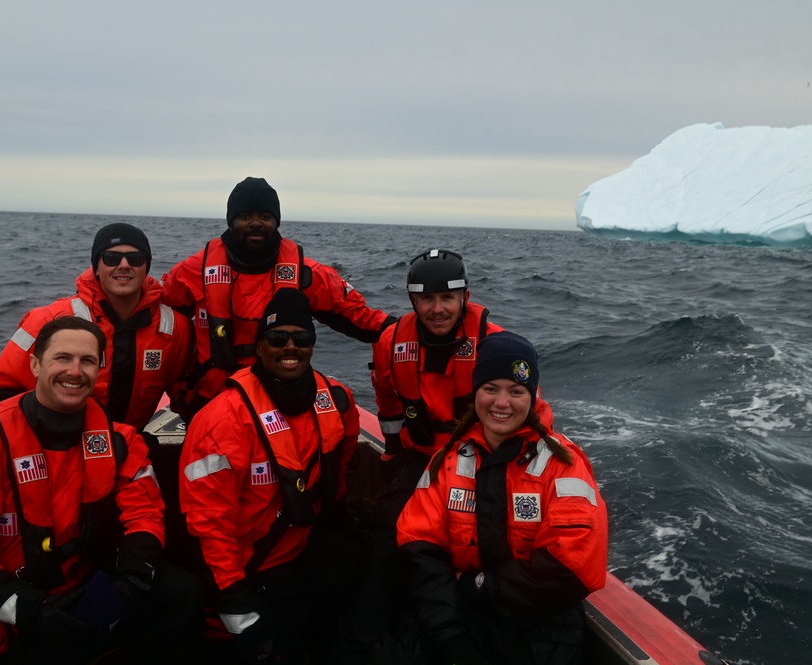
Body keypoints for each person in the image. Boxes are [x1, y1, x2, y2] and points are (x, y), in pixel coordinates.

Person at [0, 317, 204, 664]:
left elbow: (144, 515)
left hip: (90, 584)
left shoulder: (121, 441)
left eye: (87, 361)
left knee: (182, 592)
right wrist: (29, 609)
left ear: (99, 370)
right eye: (62, 358)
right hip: (24, 603)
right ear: (34, 364)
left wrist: (132, 582)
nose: (75, 371)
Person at [393, 332, 608, 665]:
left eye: (516, 391)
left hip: (541, 625)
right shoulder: (447, 460)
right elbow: (418, 548)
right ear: (476, 392)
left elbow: (571, 569)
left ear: (533, 397)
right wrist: (450, 634)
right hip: (458, 612)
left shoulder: (563, 465)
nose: (502, 403)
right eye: (490, 388)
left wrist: (477, 586)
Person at [179, 288, 365, 663]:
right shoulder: (222, 420)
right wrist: (234, 596)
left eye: (302, 338)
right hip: (246, 570)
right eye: (278, 338)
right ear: (259, 346)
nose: (290, 347)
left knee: (372, 567)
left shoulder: (339, 400)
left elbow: (340, 471)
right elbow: (209, 524)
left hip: (302, 552)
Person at [162, 176, 395, 420]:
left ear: (276, 222)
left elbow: (359, 318)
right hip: (212, 398)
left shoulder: (306, 274)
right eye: (245, 217)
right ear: (232, 222)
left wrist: (406, 327)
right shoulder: (193, 271)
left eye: (264, 217)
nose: (255, 223)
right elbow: (155, 315)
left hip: (281, 397)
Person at [0, 222, 194, 433]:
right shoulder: (48, 319)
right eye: (111, 258)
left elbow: (187, 394)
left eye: (135, 258)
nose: (124, 265)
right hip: (59, 444)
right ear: (97, 267)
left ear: (145, 266)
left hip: (131, 444)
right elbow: (0, 393)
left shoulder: (175, 328)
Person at [371, 248, 504, 519]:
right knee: (387, 525)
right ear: (413, 301)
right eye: (427, 299)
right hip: (419, 456)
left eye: (447, 298)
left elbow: (528, 409)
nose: (438, 309)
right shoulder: (389, 343)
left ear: (464, 297)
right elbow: (386, 398)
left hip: (481, 456)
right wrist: (392, 449)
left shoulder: (495, 344)